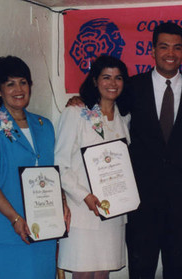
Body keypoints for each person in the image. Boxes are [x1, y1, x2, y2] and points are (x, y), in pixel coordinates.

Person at [0, 56, 70, 278]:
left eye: (23, 82)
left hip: (42, 226)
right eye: (10, 84)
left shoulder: (45, 126)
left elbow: (52, 172)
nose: (18, 89)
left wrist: (62, 202)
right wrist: (15, 218)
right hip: (3, 229)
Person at [124, 22, 182, 279]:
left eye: (176, 47)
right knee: (141, 270)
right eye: (163, 47)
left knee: (180, 271)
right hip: (141, 200)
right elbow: (107, 116)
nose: (170, 53)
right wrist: (80, 101)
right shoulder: (131, 87)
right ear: (153, 51)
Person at [55, 55, 131, 279]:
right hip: (83, 212)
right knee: (84, 274)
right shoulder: (75, 113)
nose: (112, 83)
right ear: (94, 80)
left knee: (102, 274)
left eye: (118, 78)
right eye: (106, 77)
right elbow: (60, 164)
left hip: (113, 211)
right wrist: (84, 196)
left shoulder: (124, 118)